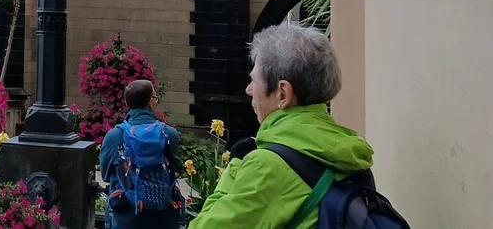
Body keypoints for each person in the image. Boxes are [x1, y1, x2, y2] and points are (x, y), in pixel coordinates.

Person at [190, 24, 374, 228]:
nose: (249, 90)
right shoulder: (348, 152)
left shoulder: (268, 165)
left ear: (282, 93)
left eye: (254, 80)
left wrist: (234, 167)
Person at [100, 80, 182, 229]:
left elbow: (105, 174)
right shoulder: (169, 134)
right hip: (163, 217)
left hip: (127, 216)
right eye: (155, 98)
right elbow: (175, 167)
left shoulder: (114, 136)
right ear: (150, 101)